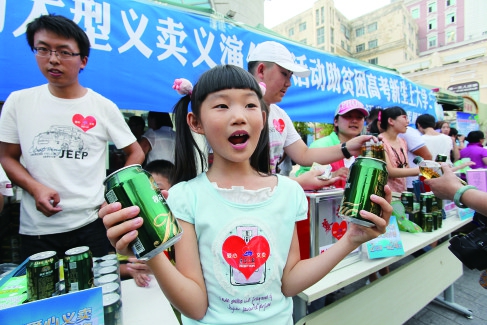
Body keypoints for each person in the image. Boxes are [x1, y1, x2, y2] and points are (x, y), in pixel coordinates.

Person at [100, 64, 393, 324]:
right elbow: (196, 307)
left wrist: (349, 241)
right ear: (195, 123)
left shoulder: (289, 191)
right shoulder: (184, 197)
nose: (239, 116)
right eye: (222, 106)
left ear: (263, 118)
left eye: (250, 105)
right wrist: (150, 252)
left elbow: (289, 283)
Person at [0, 14, 145, 261]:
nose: (53, 59)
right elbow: (7, 156)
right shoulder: (18, 102)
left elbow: (136, 152)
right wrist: (35, 188)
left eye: (64, 52)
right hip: (38, 230)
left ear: (83, 61)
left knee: (99, 292)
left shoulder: (102, 106)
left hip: (93, 224)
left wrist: (113, 196)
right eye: (43, 49)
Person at [247, 41, 375, 190]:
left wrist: (347, 148)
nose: (289, 83)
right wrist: (299, 182)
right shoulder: (236, 113)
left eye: (290, 76)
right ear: (261, 70)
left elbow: (303, 154)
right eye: (284, 74)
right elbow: (236, 177)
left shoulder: (280, 115)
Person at [119, 159, 175, 287]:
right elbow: (120, 265)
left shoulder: (181, 226)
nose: (150, 197)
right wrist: (134, 271)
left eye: (158, 189)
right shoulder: (136, 224)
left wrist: (156, 268)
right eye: (144, 192)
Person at [295, 99, 369, 188]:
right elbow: (302, 177)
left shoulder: (366, 149)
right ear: (336, 121)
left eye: (359, 117)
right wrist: (332, 175)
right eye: (348, 116)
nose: (354, 121)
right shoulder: (320, 145)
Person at [378, 107, 420, 194]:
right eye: (404, 117)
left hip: (401, 193)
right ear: (391, 121)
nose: (408, 121)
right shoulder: (379, 142)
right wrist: (421, 170)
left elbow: (406, 167)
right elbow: (389, 171)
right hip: (385, 195)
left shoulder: (402, 141)